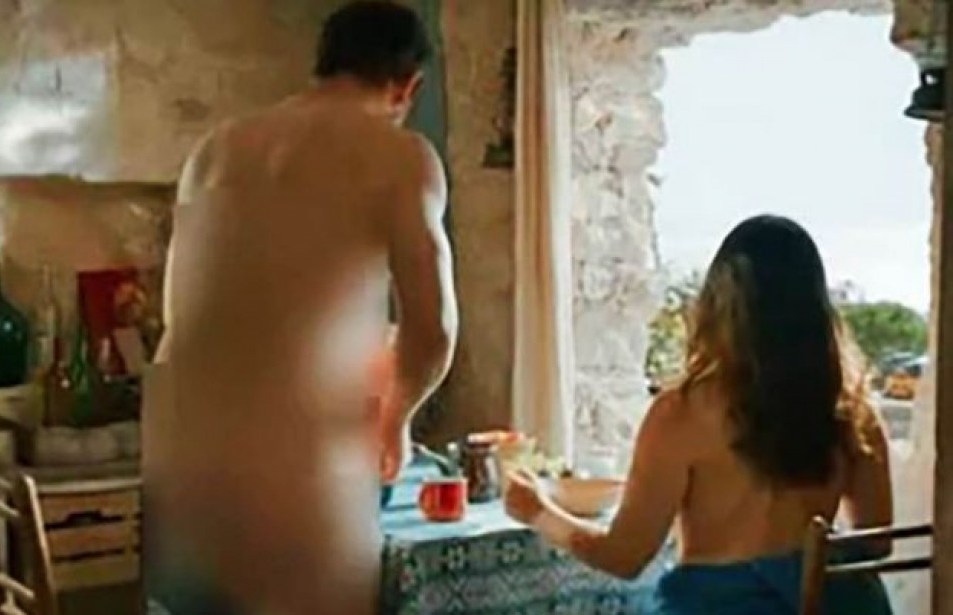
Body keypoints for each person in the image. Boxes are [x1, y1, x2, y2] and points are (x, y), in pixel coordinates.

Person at [145, 2, 458, 614]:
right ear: (408, 87)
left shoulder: (214, 150)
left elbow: (183, 315)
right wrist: (394, 420)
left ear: (324, 64)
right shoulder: (401, 158)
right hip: (290, 478)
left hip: (180, 468)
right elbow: (434, 329)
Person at [505, 215, 894, 615]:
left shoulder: (682, 414)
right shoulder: (853, 410)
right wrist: (799, 565)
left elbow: (625, 557)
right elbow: (878, 543)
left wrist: (538, 511)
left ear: (717, 302)